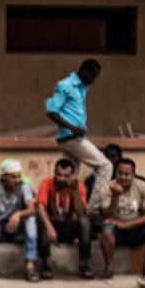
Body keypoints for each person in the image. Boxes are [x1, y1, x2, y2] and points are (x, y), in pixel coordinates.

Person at [45, 59, 112, 206]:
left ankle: (67, 211)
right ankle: (93, 209)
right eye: (93, 76)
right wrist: (72, 128)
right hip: (71, 138)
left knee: (71, 178)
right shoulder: (65, 85)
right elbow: (51, 111)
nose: (93, 80)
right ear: (84, 70)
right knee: (106, 167)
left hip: (73, 137)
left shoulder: (82, 87)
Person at [0, 159, 40, 282]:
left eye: (19, 177)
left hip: (16, 229)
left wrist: (19, 213)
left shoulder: (23, 186)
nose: (17, 180)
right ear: (4, 177)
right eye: (13, 177)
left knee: (31, 220)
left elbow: (33, 210)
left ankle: (30, 265)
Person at [96, 158, 145, 279]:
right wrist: (115, 196)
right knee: (106, 230)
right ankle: (109, 267)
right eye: (120, 173)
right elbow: (108, 216)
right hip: (115, 230)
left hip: (137, 228)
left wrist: (125, 225)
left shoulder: (144, 187)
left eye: (127, 174)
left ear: (133, 175)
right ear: (116, 173)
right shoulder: (106, 188)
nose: (123, 177)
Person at [36, 158, 93, 279]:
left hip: (67, 225)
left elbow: (81, 213)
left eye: (66, 176)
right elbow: (40, 207)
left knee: (84, 222)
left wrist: (75, 190)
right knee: (40, 221)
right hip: (50, 226)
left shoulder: (78, 187)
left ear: (72, 176)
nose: (62, 179)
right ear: (54, 173)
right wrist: (50, 228)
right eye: (59, 175)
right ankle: (46, 264)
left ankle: (84, 264)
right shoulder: (46, 183)